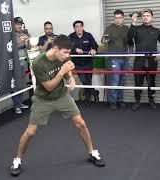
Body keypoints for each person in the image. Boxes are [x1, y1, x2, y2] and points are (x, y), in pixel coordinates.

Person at [10, 35, 105, 176]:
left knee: (81, 123)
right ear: (55, 49)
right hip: (43, 99)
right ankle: (17, 159)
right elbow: (49, 87)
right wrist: (61, 72)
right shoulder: (38, 63)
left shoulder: (63, 56)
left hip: (61, 95)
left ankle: (92, 152)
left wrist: (71, 78)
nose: (67, 55)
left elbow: (67, 69)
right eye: (65, 52)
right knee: (30, 132)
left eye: (69, 52)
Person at [128, 9, 160, 110]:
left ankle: (151, 100)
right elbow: (129, 38)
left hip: (151, 60)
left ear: (152, 18)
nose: (145, 17)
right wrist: (133, 22)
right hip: (139, 60)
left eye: (148, 15)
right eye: (144, 15)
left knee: (151, 82)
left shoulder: (157, 31)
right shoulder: (136, 29)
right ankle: (137, 101)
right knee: (138, 82)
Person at [102, 9, 129, 110]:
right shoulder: (109, 28)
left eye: (120, 18)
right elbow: (103, 41)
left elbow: (130, 43)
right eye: (116, 18)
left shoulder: (127, 28)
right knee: (114, 81)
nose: (117, 20)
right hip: (113, 58)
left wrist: (130, 53)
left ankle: (120, 100)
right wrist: (106, 39)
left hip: (124, 59)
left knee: (122, 81)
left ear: (123, 18)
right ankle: (112, 101)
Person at [69, 20, 99, 106]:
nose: (78, 28)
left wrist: (93, 49)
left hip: (88, 62)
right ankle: (95, 92)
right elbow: (66, 47)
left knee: (88, 80)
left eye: (80, 26)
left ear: (83, 27)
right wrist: (75, 49)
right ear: (74, 28)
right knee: (83, 80)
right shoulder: (71, 37)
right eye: (76, 26)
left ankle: (88, 98)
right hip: (78, 63)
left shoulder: (88, 35)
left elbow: (95, 45)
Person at [12, 17, 30, 114]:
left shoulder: (23, 33)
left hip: (23, 61)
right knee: (15, 85)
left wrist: (27, 41)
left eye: (20, 24)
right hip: (15, 62)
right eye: (17, 24)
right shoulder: (10, 34)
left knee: (22, 84)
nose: (19, 26)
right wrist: (21, 41)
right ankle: (16, 106)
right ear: (13, 24)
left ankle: (20, 103)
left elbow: (29, 47)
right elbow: (11, 47)